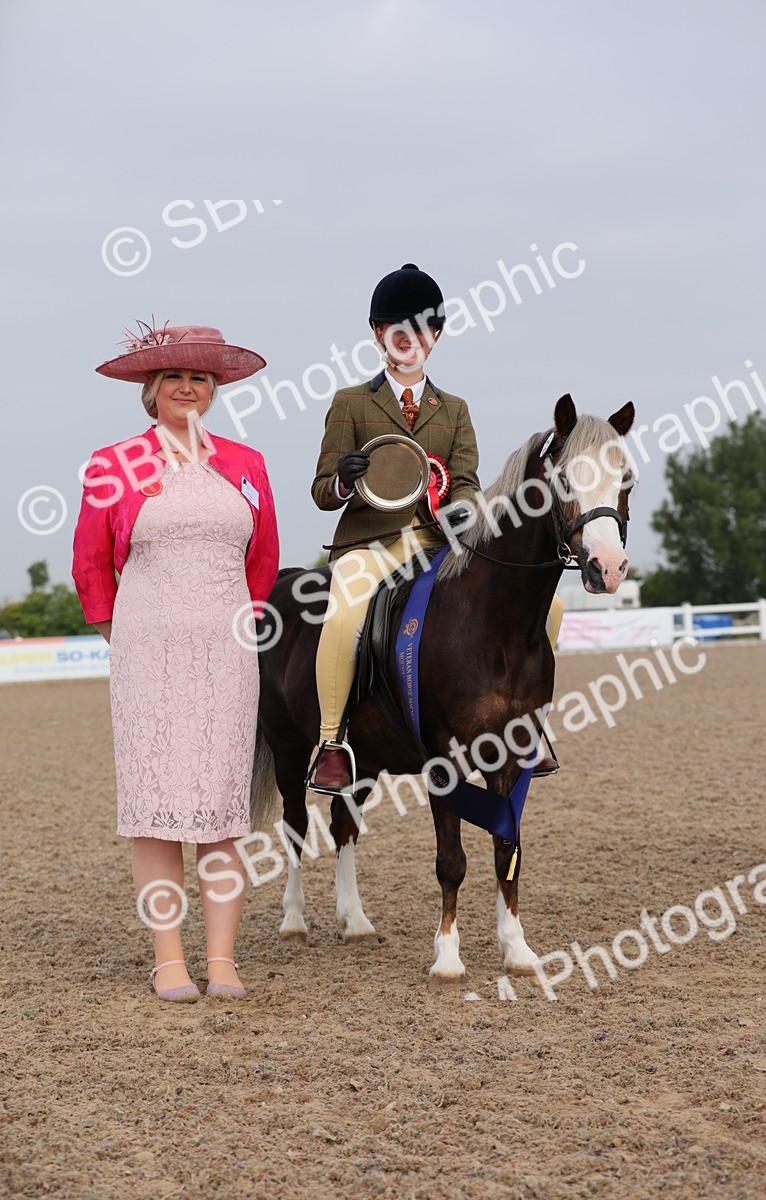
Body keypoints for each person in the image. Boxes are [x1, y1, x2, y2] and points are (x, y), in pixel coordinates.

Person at [72, 322, 279, 1003]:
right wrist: (112, 627)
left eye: (201, 378)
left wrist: (248, 618)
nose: (188, 387)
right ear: (150, 390)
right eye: (174, 378)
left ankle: (221, 961)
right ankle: (169, 962)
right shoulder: (111, 465)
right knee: (157, 807)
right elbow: (91, 559)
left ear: (214, 389)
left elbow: (264, 557)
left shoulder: (248, 465)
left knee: (222, 807)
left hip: (227, 653)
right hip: (148, 650)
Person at [310, 264, 563, 793]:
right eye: (398, 328)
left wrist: (460, 511)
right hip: (370, 543)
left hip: (436, 543)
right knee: (345, 613)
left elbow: (467, 482)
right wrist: (342, 478)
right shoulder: (351, 403)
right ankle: (332, 743)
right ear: (379, 334)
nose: (411, 338)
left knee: (551, 606)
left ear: (436, 336)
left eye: (422, 328)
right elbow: (319, 493)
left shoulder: (454, 410)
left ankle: (527, 724)